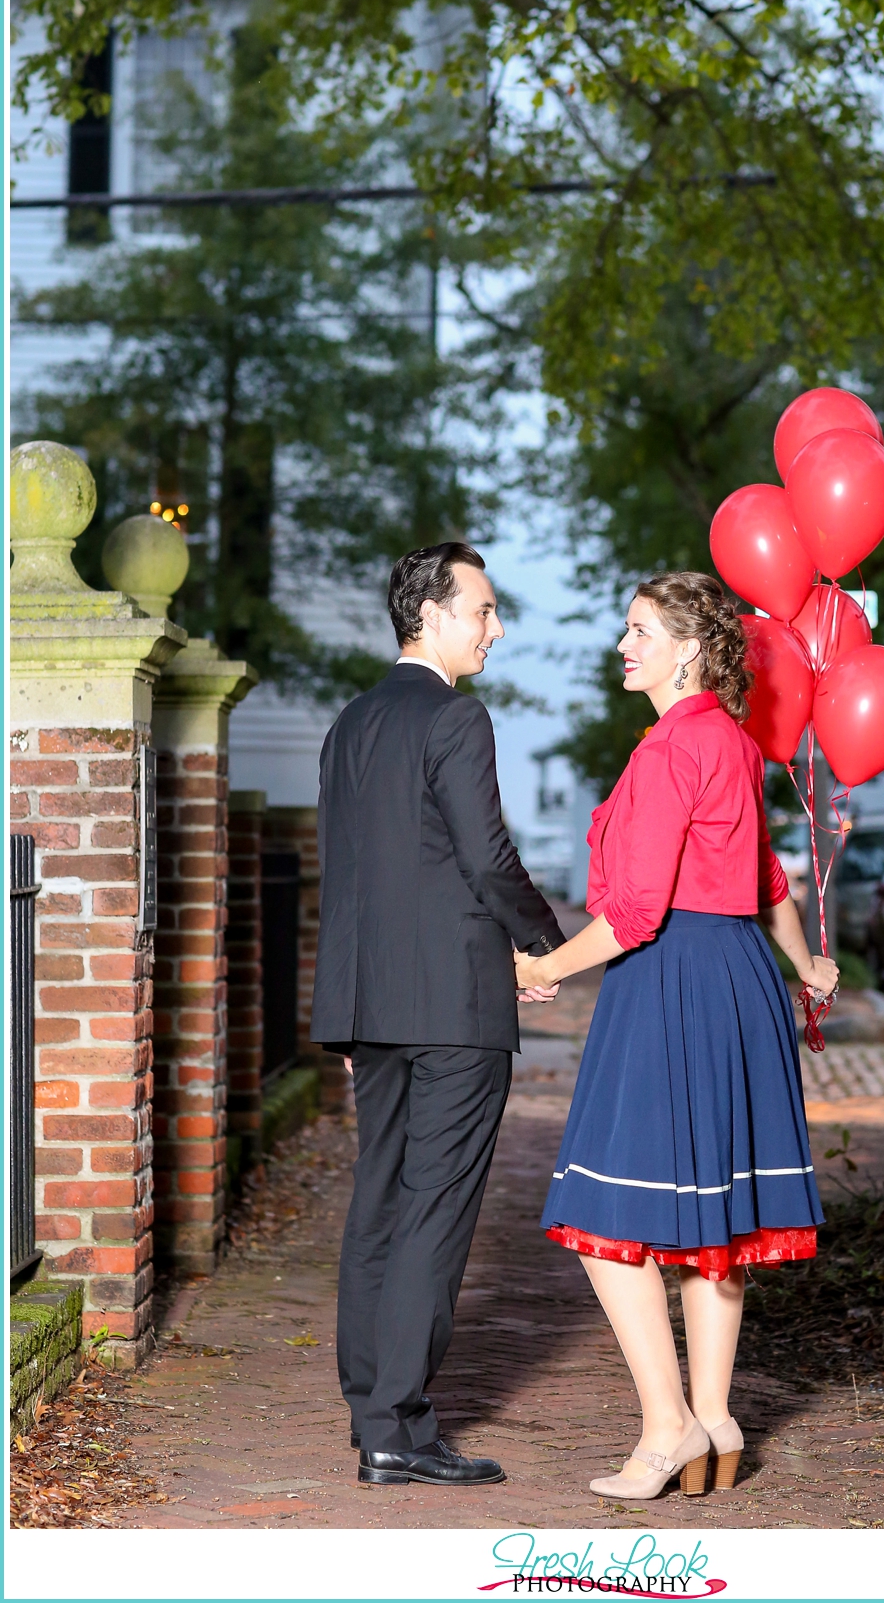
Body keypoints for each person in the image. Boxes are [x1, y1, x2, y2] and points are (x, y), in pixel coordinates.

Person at [514, 572, 838, 1501]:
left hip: (670, 985)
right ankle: (716, 1417)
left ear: (690, 649)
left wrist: (539, 969)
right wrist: (806, 966)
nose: (625, 644)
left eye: (641, 629)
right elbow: (768, 877)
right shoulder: (731, 741)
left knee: (606, 1219)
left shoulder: (666, 751)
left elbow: (631, 917)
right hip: (738, 981)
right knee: (712, 1224)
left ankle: (667, 1427)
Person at [311, 541, 566, 1488]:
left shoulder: (350, 724)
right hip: (454, 1005)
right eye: (484, 610)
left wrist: (344, 1005)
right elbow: (486, 856)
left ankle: (373, 1415)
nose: (495, 628)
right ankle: (399, 1423)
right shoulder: (457, 718)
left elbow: (360, 876)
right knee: (435, 1209)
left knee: (379, 1200)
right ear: (431, 615)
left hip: (371, 1001)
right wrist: (542, 944)